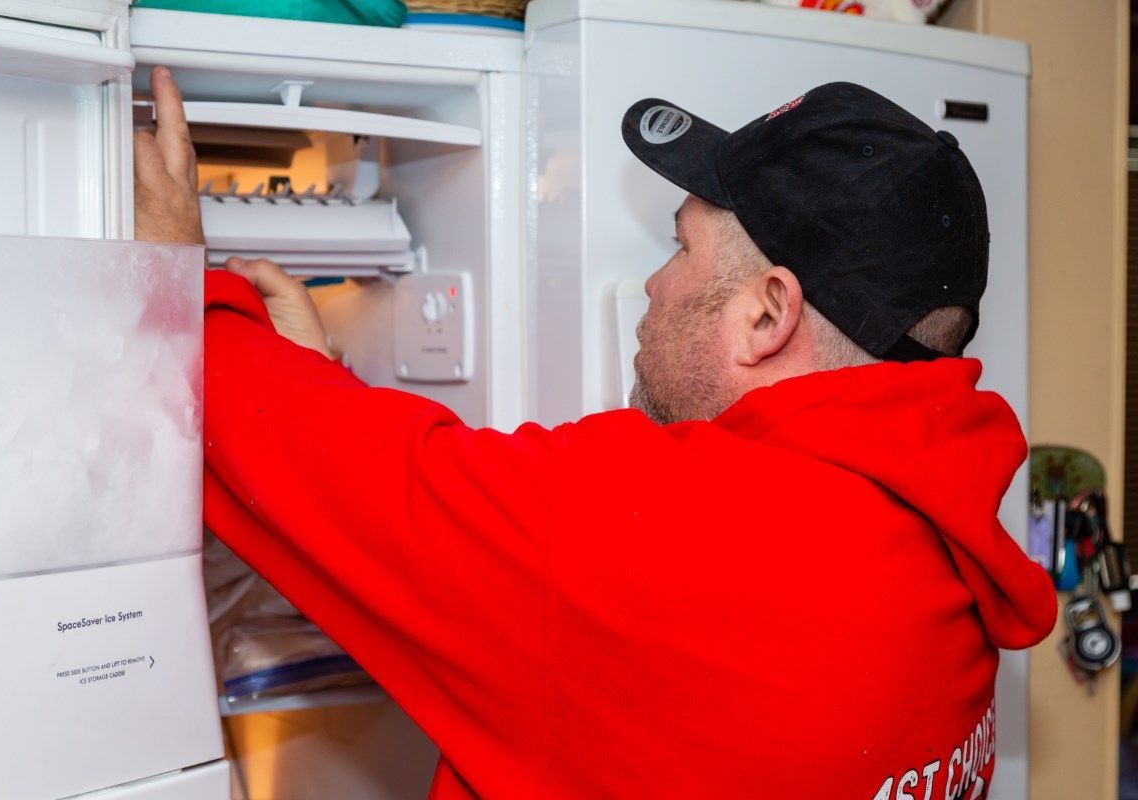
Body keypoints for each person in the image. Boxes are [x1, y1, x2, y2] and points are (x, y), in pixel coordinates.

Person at [137, 66, 1056, 799]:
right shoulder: (945, 535)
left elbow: (316, 460)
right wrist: (322, 383)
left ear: (769, 314)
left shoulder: (670, 537)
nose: (655, 288)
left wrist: (175, 277)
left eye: (679, 249)